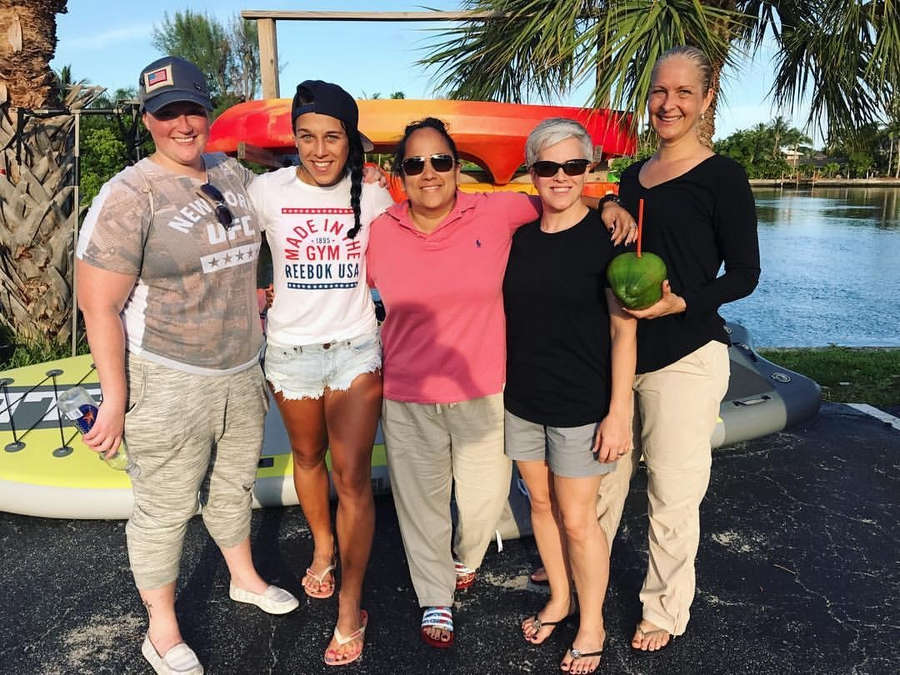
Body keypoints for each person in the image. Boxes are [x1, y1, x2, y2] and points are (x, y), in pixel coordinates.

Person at [366, 117, 636, 649]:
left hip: (485, 390)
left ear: (458, 168)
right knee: (421, 505)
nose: (429, 173)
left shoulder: (498, 210)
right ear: (400, 174)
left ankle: (467, 558)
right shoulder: (380, 228)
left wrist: (609, 203)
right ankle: (435, 597)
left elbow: (565, 200)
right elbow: (334, 276)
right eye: (414, 163)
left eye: (440, 161)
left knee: (485, 501)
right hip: (409, 394)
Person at [76, 56, 298, 675]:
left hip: (240, 367)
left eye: (190, 109)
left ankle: (243, 577)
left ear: (207, 111)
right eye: (165, 112)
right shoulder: (128, 195)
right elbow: (99, 307)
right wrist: (116, 398)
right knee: (165, 506)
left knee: (233, 487)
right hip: (168, 376)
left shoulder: (229, 171)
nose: (181, 123)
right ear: (147, 120)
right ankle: (162, 627)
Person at [595, 46, 760, 652]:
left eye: (684, 93)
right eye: (660, 91)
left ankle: (664, 608)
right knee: (604, 479)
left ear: (707, 98)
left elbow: (744, 274)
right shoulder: (635, 173)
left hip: (686, 354)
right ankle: (586, 572)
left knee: (671, 493)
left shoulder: (724, 177)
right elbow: (621, 233)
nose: (669, 104)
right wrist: (610, 202)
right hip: (620, 352)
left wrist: (681, 302)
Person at [248, 80, 393, 667]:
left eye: (332, 136)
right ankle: (324, 548)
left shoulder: (377, 195)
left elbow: (447, 208)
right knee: (307, 458)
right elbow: (229, 240)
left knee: (352, 473)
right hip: (290, 351)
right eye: (307, 136)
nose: (320, 149)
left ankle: (351, 603)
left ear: (350, 140)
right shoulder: (266, 191)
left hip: (357, 347)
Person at [503, 118, 637, 674]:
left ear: (590, 171)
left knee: (580, 520)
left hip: (583, 402)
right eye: (547, 166)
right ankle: (559, 597)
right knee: (540, 505)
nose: (560, 177)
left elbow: (624, 330)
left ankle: (592, 624)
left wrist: (618, 410)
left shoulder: (608, 239)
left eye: (573, 166)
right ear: (531, 172)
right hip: (524, 397)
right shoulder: (521, 238)